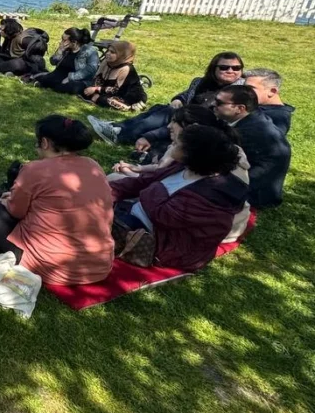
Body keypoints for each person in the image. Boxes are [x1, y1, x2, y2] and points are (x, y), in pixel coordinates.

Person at [0, 116, 114, 286]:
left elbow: (16, 212)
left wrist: (6, 202)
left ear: (44, 142)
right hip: (99, 266)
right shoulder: (93, 166)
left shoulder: (35, 169)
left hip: (49, 267)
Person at [110, 124, 248, 271]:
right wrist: (108, 191)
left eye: (176, 144)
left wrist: (153, 188)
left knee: (96, 223)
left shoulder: (214, 195)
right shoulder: (183, 166)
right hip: (139, 216)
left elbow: (161, 214)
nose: (171, 145)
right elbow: (144, 181)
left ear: (192, 154)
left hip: (162, 243)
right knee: (106, 188)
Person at [90, 52, 244, 146]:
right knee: (159, 108)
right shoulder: (202, 82)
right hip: (184, 113)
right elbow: (186, 94)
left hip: (199, 124)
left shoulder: (238, 91)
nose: (230, 70)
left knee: (166, 113)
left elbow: (213, 114)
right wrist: (179, 99)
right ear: (213, 68)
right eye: (224, 67)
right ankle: (117, 126)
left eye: (236, 68)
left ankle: (120, 135)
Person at [213, 85, 291, 209]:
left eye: (219, 103)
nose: (213, 104)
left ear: (240, 108)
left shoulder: (248, 132)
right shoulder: (252, 118)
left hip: (254, 195)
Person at [81, 41, 147, 111]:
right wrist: (94, 91)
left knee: (102, 100)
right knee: (82, 89)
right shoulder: (106, 62)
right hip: (108, 92)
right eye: (108, 51)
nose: (107, 53)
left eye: (112, 52)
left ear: (122, 55)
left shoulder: (126, 68)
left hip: (128, 95)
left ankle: (130, 107)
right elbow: (97, 78)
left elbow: (116, 90)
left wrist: (96, 90)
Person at [32, 28, 98, 93]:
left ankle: (49, 83)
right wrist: (60, 51)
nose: (61, 42)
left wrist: (70, 77)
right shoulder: (65, 49)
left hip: (77, 79)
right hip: (59, 75)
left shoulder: (90, 51)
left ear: (74, 42)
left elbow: (90, 69)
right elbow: (52, 62)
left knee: (69, 87)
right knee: (48, 79)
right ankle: (46, 81)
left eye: (64, 40)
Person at [243, 69, 293, 135]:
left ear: (272, 91)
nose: (243, 91)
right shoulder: (258, 107)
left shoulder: (276, 118)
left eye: (250, 88)